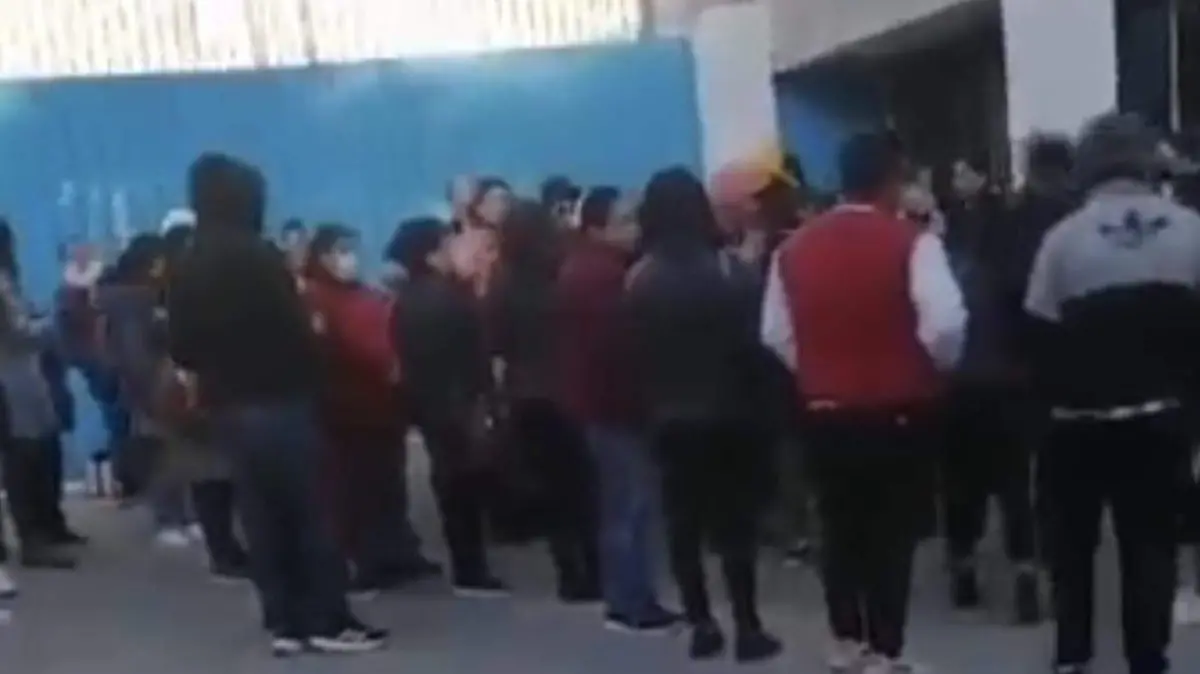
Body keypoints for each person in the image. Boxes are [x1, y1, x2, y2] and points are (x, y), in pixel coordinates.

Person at [763, 132, 966, 674]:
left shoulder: (792, 249)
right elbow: (946, 324)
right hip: (898, 408)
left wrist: (816, 369)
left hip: (824, 409)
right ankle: (886, 646)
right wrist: (933, 367)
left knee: (839, 527)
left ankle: (845, 639)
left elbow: (775, 333)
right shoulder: (913, 243)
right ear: (893, 180)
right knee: (891, 533)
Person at [168, 153, 385, 656]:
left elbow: (181, 347)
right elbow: (297, 333)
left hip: (229, 408)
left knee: (262, 519)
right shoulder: (259, 256)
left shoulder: (189, 262)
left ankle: (284, 622)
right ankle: (328, 619)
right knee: (311, 513)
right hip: (282, 402)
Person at [1023, 112, 1200, 674]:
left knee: (1072, 547)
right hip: (1161, 417)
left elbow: (1039, 328)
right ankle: (1147, 658)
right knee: (1150, 544)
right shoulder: (1191, 230)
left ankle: (1073, 656)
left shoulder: (1063, 239)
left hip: (1076, 420)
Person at [626, 167, 781, 663]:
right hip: (730, 414)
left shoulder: (640, 279)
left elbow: (632, 353)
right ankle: (748, 625)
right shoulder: (731, 271)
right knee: (734, 527)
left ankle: (701, 622)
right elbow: (757, 348)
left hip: (668, 416)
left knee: (683, 524)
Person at [557, 186, 677, 630]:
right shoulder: (602, 277)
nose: (634, 228)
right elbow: (618, 349)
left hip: (603, 405)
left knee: (622, 505)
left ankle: (627, 596)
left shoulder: (589, 269)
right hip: (616, 408)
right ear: (596, 228)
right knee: (631, 506)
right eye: (623, 221)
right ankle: (631, 601)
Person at [303, 223, 437, 592]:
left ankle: (399, 552)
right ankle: (363, 560)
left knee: (389, 485)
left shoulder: (366, 294)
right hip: (346, 408)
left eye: (351, 250)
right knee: (352, 491)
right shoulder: (315, 299)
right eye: (338, 251)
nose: (348, 259)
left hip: (384, 406)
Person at [390, 217, 506, 596]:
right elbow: (461, 359)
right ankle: (470, 568)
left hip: (435, 406)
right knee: (460, 485)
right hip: (454, 406)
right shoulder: (443, 300)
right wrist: (478, 404)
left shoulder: (412, 298)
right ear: (431, 254)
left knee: (454, 483)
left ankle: (469, 563)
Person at [490, 199, 599, 602]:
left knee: (553, 492)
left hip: (528, 396)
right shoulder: (563, 275)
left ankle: (568, 573)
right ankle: (595, 568)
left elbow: (497, 342)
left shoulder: (502, 284)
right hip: (571, 389)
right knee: (584, 488)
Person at [98, 233, 199, 547]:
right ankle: (168, 518)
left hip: (155, 382)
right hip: (150, 385)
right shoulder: (135, 300)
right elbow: (135, 352)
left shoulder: (142, 296)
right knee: (160, 454)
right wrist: (150, 389)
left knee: (174, 451)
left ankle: (182, 515)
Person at [0, 263, 78, 571]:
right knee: (24, 458)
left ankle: (41, 530)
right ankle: (33, 538)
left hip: (19, 376)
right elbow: (20, 332)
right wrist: (49, 323)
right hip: (13, 379)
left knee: (31, 454)